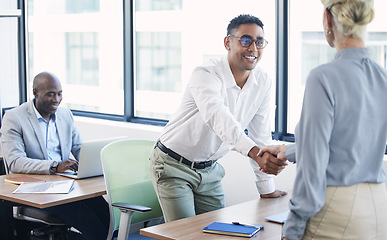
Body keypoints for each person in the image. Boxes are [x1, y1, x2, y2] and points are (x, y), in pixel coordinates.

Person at [260, 0, 387, 239]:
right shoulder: (382, 76)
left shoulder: (323, 77)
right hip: (379, 207)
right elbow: (350, 142)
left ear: (328, 19)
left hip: (338, 209)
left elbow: (313, 167)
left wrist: (293, 227)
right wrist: (288, 151)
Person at [149, 14, 288, 223]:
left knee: (218, 233)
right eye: (246, 40)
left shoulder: (263, 82)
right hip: (173, 165)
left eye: (259, 42)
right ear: (227, 42)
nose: (253, 48)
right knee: (184, 235)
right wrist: (255, 153)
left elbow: (261, 135)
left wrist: (266, 187)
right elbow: (218, 118)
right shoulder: (205, 73)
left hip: (210, 170)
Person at [1, 72, 109, 240]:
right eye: (50, 94)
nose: (56, 99)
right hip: (37, 188)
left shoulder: (65, 114)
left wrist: (93, 163)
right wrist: (54, 166)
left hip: (66, 183)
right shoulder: (15, 118)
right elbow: (15, 162)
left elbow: (79, 147)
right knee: (88, 219)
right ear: (35, 92)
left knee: (106, 213)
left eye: (59, 93)